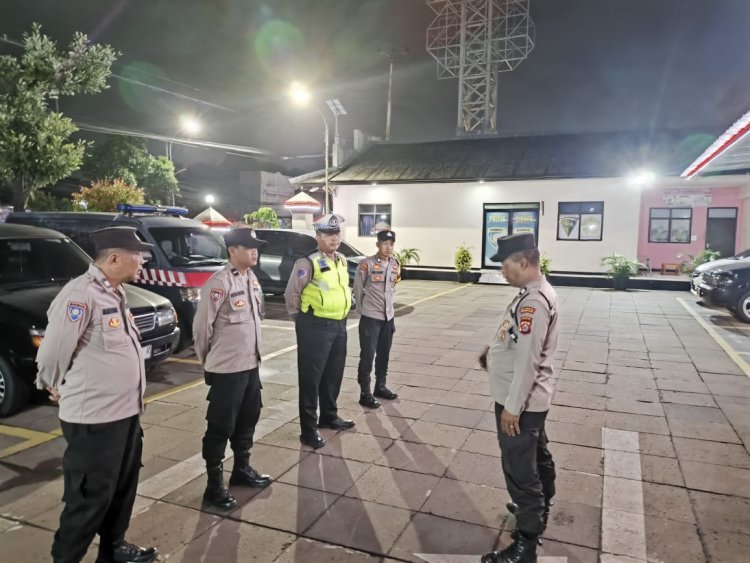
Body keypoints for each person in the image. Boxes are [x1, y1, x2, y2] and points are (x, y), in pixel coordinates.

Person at [36, 227, 158, 563]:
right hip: (95, 420)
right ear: (114, 258)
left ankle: (113, 549)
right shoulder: (80, 295)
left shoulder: (115, 293)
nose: (143, 260)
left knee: (121, 489)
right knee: (88, 500)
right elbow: (52, 353)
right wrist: (52, 383)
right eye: (138, 254)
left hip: (125, 414)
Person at [479, 233, 558, 563]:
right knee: (536, 456)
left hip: (521, 403)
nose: (502, 271)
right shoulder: (532, 292)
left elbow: (528, 360)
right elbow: (518, 343)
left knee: (520, 470)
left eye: (505, 265)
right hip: (530, 400)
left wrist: (512, 408)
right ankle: (538, 510)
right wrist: (494, 353)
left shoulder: (533, 302)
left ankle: (526, 544)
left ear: (523, 262)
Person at [192, 227, 272, 511]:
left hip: (250, 365)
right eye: (249, 247)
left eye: (256, 247)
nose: (255, 251)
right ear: (232, 250)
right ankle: (214, 486)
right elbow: (201, 329)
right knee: (220, 426)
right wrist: (209, 361)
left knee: (248, 418)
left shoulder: (251, 278)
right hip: (227, 370)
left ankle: (241, 469)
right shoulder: (219, 282)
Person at [284, 213, 355, 449]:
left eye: (337, 233)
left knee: (333, 374)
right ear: (318, 237)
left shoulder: (341, 260)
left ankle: (329, 416)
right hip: (314, 326)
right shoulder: (307, 262)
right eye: (328, 234)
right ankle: (308, 430)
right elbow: (292, 294)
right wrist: (303, 322)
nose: (334, 238)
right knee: (311, 379)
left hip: (339, 324)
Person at [353, 229, 400, 409]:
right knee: (367, 356)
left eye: (391, 244)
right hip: (371, 318)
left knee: (384, 354)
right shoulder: (367, 264)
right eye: (385, 244)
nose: (389, 247)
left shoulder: (395, 264)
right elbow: (358, 289)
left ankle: (380, 386)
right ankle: (365, 393)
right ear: (378, 244)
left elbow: (392, 288)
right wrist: (362, 310)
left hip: (388, 318)